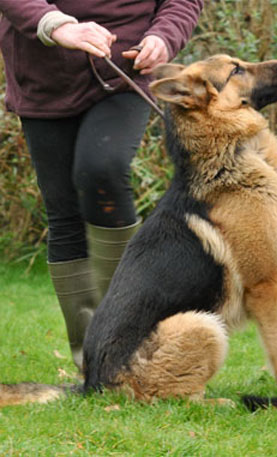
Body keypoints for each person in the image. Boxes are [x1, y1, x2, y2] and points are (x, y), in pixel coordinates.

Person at [0, 0, 203, 370]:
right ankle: (94, 361)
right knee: (64, 213)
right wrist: (57, 25)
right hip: (44, 76)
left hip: (123, 71)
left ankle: (134, 338)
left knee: (102, 170)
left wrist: (163, 36)